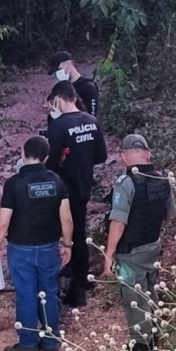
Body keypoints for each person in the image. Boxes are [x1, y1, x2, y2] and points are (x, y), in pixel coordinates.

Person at [0, 135, 73, 351]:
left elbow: (4, 221)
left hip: (21, 248)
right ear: (46, 156)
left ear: (22, 154)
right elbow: (66, 218)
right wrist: (67, 244)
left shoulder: (14, 183)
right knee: (49, 291)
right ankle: (51, 341)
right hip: (48, 247)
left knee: (26, 293)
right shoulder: (56, 181)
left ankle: (28, 344)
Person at [103, 134, 174, 351]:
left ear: (124, 156)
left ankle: (141, 350)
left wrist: (108, 254)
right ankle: (154, 337)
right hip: (152, 246)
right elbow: (169, 213)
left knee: (134, 299)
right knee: (151, 291)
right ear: (148, 153)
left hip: (131, 251)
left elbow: (118, 222)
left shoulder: (126, 183)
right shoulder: (162, 180)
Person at [46, 80, 108, 307]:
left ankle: (49, 285)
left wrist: (64, 160)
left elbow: (51, 162)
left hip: (61, 189)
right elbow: (101, 156)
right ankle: (79, 287)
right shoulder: (91, 121)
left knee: (54, 235)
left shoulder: (59, 125)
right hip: (83, 187)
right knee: (79, 235)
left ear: (59, 99)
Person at [47, 51, 100, 117]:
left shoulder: (88, 87)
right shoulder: (61, 88)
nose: (58, 73)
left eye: (59, 69)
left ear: (69, 64)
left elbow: (92, 115)